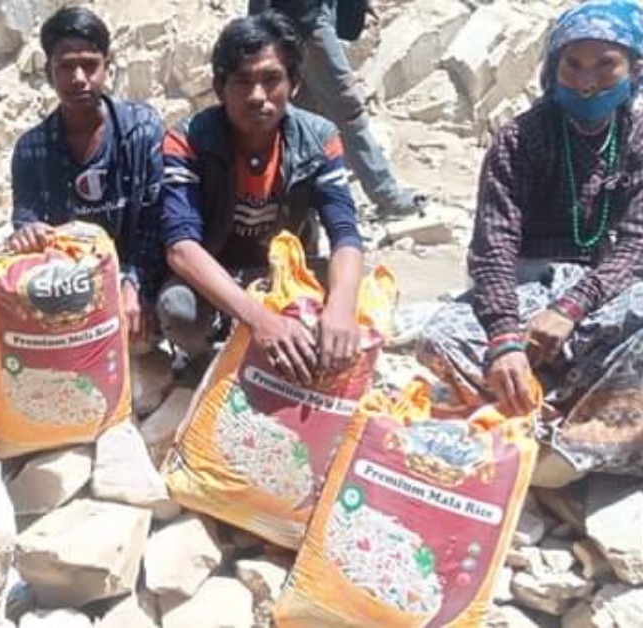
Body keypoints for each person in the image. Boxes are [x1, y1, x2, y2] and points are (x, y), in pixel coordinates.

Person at [418, 0, 643, 476]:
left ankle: (570, 452)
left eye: (606, 65)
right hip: (526, 289)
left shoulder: (639, 139)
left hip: (603, 295)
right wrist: (504, 338)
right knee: (439, 340)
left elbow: (635, 247)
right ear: (552, 67)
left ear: (635, 68)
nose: (586, 81)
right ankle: (547, 407)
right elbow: (493, 245)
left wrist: (570, 309)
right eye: (573, 64)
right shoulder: (520, 139)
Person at [158, 12, 365, 384]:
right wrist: (260, 319)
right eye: (242, 82)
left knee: (359, 295)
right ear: (220, 88)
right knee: (178, 310)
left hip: (284, 272)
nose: (258, 97)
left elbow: (345, 233)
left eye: (271, 80)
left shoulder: (319, 139)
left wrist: (340, 308)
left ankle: (300, 356)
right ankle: (207, 362)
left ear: (294, 83)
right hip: (217, 272)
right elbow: (181, 247)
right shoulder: (187, 140)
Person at [8, 6, 165, 342]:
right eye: (66, 67)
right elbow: (25, 218)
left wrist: (133, 283)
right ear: (50, 73)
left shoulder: (142, 129)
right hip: (71, 281)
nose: (79, 77)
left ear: (107, 67)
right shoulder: (30, 148)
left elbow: (155, 225)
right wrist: (28, 232)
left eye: (90, 64)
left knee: (175, 312)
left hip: (136, 278)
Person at [251, 0, 425, 218]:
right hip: (304, 23)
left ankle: (287, 198)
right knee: (347, 108)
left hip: (308, 19)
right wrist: (257, 29)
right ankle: (386, 193)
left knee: (304, 115)